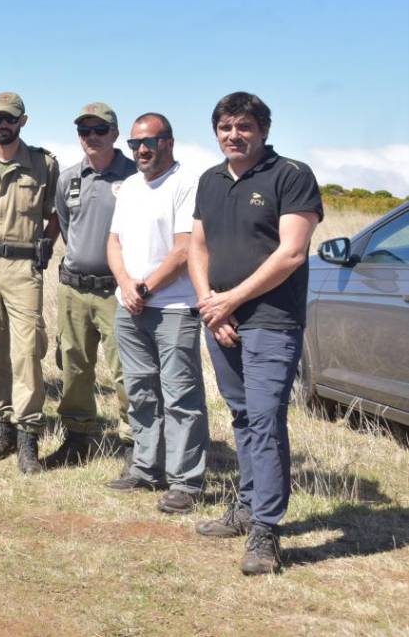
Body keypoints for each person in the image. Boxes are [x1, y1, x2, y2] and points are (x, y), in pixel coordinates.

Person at [189, 92, 321, 576]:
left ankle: (266, 529)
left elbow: (291, 254)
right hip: (220, 320)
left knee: (266, 419)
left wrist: (232, 299)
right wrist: (212, 305)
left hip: (271, 320)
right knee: (243, 417)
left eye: (244, 126)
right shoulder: (210, 180)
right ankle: (246, 507)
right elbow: (197, 249)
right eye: (225, 127)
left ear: (263, 129)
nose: (233, 135)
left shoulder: (291, 175)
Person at [105, 112, 209, 516]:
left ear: (170, 141)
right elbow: (113, 243)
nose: (142, 150)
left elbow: (185, 249)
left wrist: (145, 288)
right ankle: (145, 468)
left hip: (175, 308)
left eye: (150, 141)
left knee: (181, 395)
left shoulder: (187, 184)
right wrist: (127, 285)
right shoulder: (129, 186)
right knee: (140, 390)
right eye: (135, 144)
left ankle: (185, 481)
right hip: (130, 305)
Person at [0, 92, 60, 473]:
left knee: (25, 354)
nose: (3, 125)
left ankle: (28, 437)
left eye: (10, 119)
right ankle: (1, 425)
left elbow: (56, 214)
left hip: (23, 269)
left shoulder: (43, 164)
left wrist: (46, 245)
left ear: (23, 121)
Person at [49, 103, 136, 467]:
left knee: (126, 368)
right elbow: (68, 227)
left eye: (100, 130)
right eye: (85, 131)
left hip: (117, 290)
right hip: (74, 288)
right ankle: (77, 436)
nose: (92, 137)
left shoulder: (134, 176)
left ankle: (135, 441)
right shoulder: (69, 177)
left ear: (115, 134)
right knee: (74, 364)